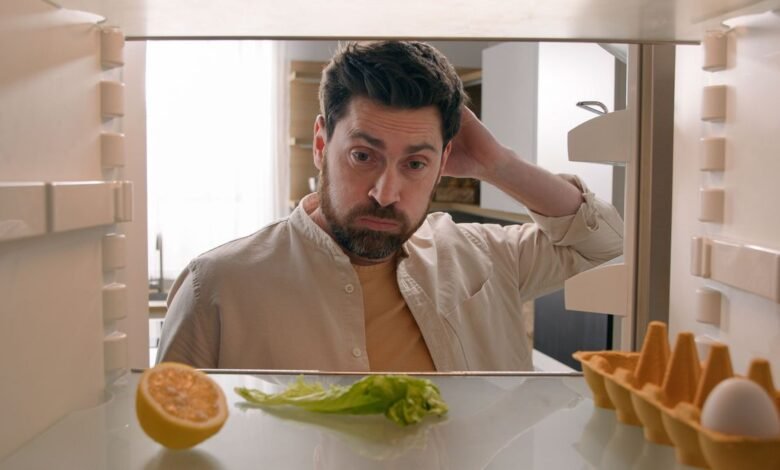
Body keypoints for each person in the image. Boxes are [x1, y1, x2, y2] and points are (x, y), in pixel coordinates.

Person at [157, 41, 623, 372]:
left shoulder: (486, 254)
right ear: (321, 143)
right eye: (363, 156)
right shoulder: (216, 287)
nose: (386, 191)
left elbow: (607, 246)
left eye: (415, 163)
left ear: (443, 163)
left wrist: (497, 164)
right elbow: (171, 438)